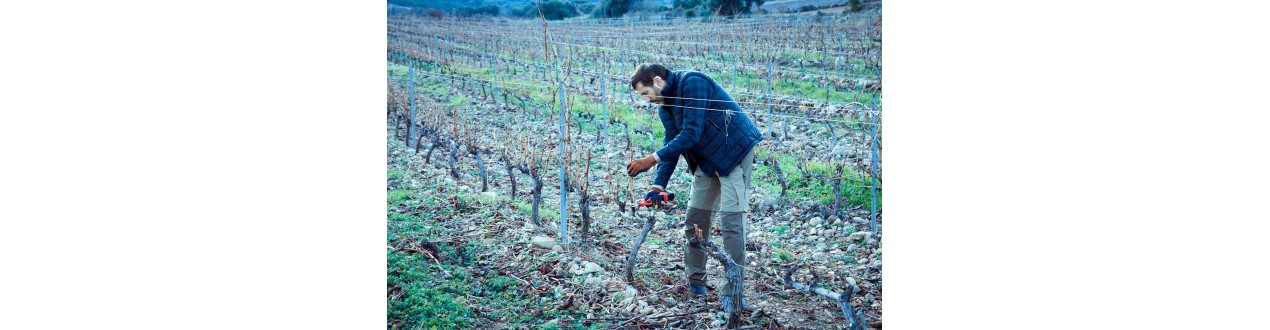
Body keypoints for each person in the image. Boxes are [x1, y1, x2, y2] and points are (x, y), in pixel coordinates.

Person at [625, 63, 764, 297]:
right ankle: (696, 283)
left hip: (735, 152)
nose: (646, 100)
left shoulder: (693, 83)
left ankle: (733, 292)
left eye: (645, 94)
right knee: (695, 221)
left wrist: (651, 158)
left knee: (731, 224)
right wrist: (657, 186)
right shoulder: (665, 108)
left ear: (658, 81)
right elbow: (672, 145)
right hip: (706, 160)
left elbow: (691, 133)